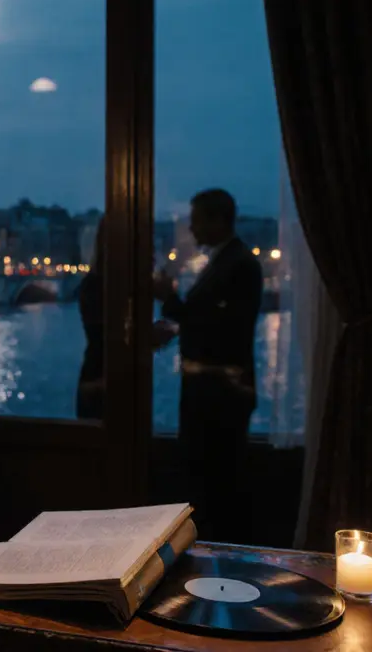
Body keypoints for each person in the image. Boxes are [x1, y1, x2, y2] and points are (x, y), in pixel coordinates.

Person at [153, 189, 262, 541]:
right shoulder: (231, 261)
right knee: (214, 482)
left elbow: (216, 327)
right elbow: (212, 321)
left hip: (217, 398)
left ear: (217, 220)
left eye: (196, 220)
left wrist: (167, 297)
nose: (191, 229)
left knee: (214, 484)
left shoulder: (238, 264)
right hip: (216, 394)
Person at [76, 220, 178, 420]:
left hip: (101, 382)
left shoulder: (100, 284)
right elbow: (119, 338)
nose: (152, 256)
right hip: (104, 386)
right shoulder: (103, 286)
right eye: (147, 247)